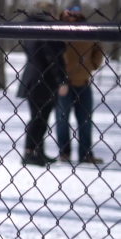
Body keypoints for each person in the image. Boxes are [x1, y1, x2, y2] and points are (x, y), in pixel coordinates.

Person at [17, 2, 69, 167]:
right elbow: (52, 57)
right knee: (39, 118)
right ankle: (30, 152)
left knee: (39, 117)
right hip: (43, 80)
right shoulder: (46, 28)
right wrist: (61, 80)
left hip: (33, 77)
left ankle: (37, 150)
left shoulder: (30, 26)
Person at [55, 6, 104, 165]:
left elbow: (98, 49)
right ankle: (64, 153)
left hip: (84, 82)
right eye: (69, 9)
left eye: (76, 9)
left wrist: (92, 64)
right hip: (64, 83)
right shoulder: (56, 28)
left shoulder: (88, 29)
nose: (73, 13)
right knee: (62, 120)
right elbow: (51, 53)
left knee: (85, 121)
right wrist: (60, 78)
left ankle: (86, 153)